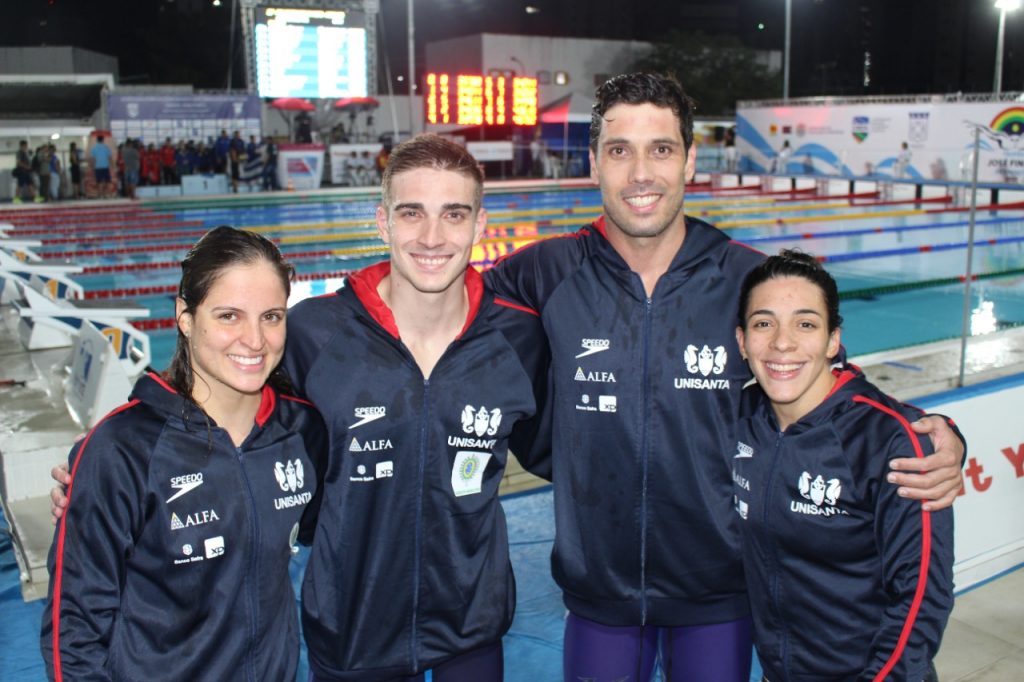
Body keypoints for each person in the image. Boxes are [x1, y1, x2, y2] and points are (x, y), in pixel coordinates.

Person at [483, 72, 964, 681]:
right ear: (594, 163)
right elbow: (443, 334)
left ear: (690, 161)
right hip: (598, 588)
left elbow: (837, 395)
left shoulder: (748, 279)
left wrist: (940, 432)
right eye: (619, 150)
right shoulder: (542, 273)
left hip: (720, 591)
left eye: (660, 149)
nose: (639, 174)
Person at [286, 133, 550, 681]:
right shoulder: (314, 334)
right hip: (351, 628)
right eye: (412, 213)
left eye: (454, 215)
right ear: (383, 222)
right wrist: (101, 463)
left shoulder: (518, 339)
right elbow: (219, 412)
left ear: (480, 225)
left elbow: (579, 448)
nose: (432, 237)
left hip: (471, 628)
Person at [41, 227, 326, 680]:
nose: (254, 340)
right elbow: (73, 628)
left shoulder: (304, 432)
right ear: (185, 317)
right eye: (229, 316)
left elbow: (331, 532)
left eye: (271, 316)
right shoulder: (123, 448)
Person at [733, 249, 954, 680]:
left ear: (833, 339)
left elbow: (921, 597)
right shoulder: (739, 419)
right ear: (742, 341)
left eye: (805, 323)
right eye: (764, 323)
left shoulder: (888, 442)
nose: (782, 342)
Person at [13, 139, 36, 203]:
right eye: (26, 145)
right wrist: (27, 167)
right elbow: (18, 162)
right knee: (20, 185)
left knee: (30, 184)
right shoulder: (19, 152)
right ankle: (16, 198)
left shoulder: (25, 153)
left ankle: (34, 197)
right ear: (22, 145)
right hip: (22, 171)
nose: (26, 147)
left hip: (26, 171)